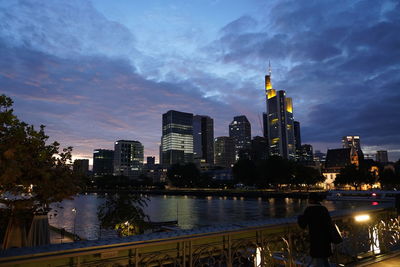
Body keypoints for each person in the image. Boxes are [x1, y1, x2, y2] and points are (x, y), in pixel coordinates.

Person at [298, 192, 332, 267]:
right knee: (325, 259)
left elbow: (302, 224)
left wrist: (300, 217)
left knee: (318, 259)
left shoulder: (309, 210)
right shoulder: (324, 209)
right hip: (326, 238)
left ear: (311, 200)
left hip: (316, 238)